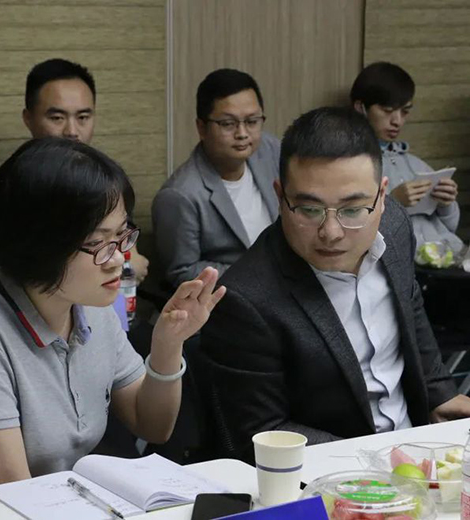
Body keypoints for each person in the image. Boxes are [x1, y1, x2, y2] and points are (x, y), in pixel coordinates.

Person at [0, 137, 225, 508]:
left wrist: (168, 344)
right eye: (98, 243)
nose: (119, 259)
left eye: (122, 235)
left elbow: (152, 426)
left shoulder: (91, 303)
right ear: (39, 243)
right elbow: (13, 496)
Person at [200, 107, 470, 463]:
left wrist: (440, 392)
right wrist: (374, 461)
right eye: (309, 210)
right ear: (280, 196)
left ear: (382, 196)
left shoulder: (394, 226)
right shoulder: (246, 299)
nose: (331, 232)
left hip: (416, 448)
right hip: (330, 470)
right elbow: (261, 433)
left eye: (353, 210)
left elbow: (411, 309)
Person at [0, 58, 149, 283]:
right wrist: (126, 264)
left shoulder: (105, 178)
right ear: (28, 118)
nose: (72, 131)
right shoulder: (10, 184)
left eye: (83, 117)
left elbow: (130, 253)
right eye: (57, 118)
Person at [152, 68, 280, 288]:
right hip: (235, 296)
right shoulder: (179, 196)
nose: (242, 133)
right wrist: (257, 274)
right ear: (202, 128)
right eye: (228, 124)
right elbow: (182, 272)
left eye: (252, 121)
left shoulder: (269, 149)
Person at [351, 61, 463, 255]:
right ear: (361, 107)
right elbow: (352, 233)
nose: (397, 121)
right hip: (409, 263)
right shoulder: (350, 166)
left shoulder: (416, 164)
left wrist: (446, 204)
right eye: (387, 110)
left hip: (451, 254)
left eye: (405, 111)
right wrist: (393, 203)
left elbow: (451, 226)